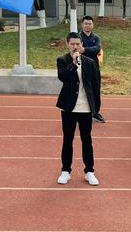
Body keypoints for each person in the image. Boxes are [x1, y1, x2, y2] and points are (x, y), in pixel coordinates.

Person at [56, 32, 100, 186]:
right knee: (67, 139)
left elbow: (96, 86)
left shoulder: (89, 62)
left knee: (86, 140)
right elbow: (63, 77)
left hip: (85, 108)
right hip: (68, 107)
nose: (75, 46)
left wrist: (96, 108)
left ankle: (89, 171)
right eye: (72, 44)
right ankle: (66, 171)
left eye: (78, 44)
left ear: (82, 44)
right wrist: (73, 64)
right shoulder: (63, 60)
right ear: (67, 44)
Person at [79, 16, 104, 123]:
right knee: (82, 91)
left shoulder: (96, 37)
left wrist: (84, 49)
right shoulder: (78, 37)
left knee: (96, 91)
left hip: (95, 68)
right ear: (82, 25)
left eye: (90, 23)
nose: (88, 25)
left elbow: (97, 49)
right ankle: (81, 112)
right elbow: (77, 49)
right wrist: (86, 50)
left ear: (93, 25)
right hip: (82, 68)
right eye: (86, 23)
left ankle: (95, 113)